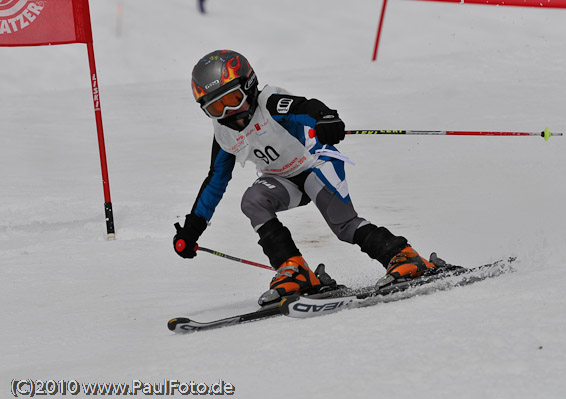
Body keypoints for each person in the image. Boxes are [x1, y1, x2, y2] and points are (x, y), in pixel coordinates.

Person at [173, 49, 437, 306]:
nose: (227, 113)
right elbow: (216, 181)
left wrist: (326, 119)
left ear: (250, 86)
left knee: (343, 226)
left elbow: (306, 107)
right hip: (283, 180)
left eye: (232, 100)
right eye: (215, 108)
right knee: (252, 199)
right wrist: (192, 229)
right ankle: (294, 270)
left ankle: (404, 257)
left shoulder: (270, 104)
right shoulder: (224, 134)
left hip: (315, 163)